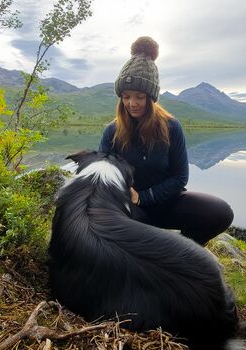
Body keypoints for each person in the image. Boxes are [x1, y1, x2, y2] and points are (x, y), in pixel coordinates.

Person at [99, 36, 233, 245]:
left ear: (151, 97)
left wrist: (143, 196)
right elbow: (102, 175)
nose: (132, 103)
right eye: (126, 96)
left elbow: (180, 178)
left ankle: (184, 250)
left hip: (167, 204)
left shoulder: (171, 127)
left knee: (220, 212)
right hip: (130, 210)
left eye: (139, 97)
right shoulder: (112, 131)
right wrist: (125, 196)